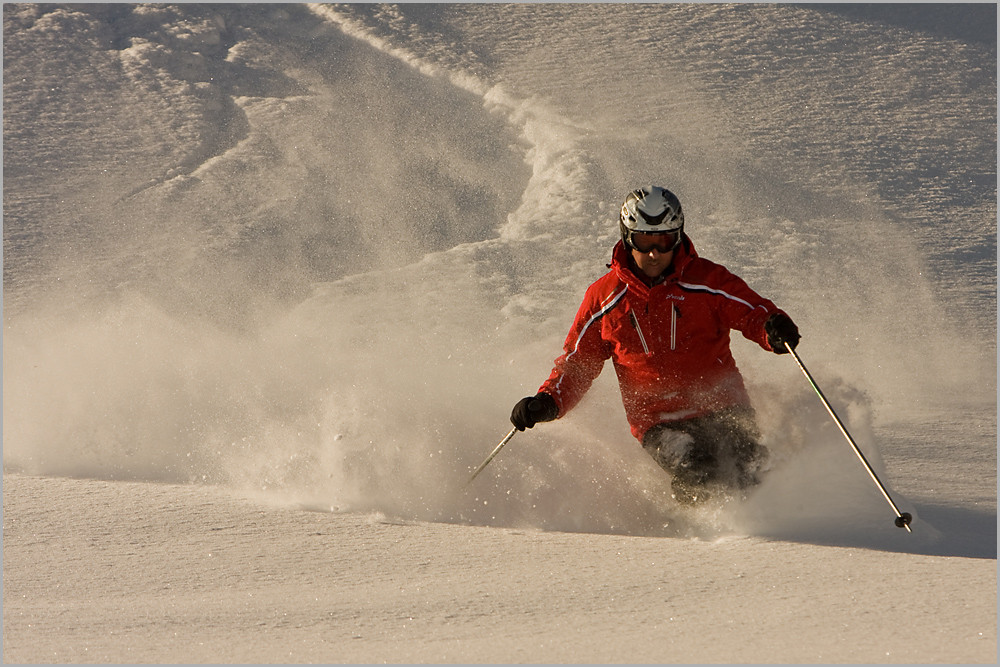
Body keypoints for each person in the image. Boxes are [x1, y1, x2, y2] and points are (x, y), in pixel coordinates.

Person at [510, 186, 800, 504]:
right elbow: (579, 362)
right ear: (627, 238)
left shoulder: (706, 281)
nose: (654, 254)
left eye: (663, 242)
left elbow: (751, 310)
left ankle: (775, 535)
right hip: (658, 421)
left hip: (723, 406)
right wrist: (550, 401)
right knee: (697, 470)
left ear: (676, 238)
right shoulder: (605, 298)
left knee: (751, 470)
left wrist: (772, 329)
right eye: (644, 241)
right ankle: (707, 539)